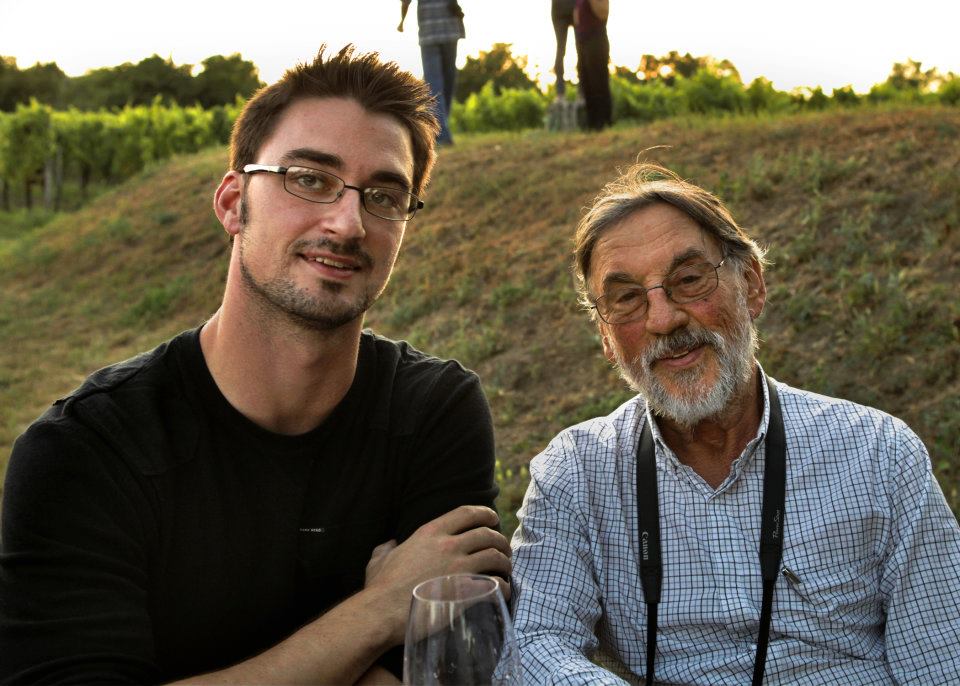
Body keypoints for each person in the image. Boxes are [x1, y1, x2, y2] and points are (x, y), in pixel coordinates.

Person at [0, 45, 512, 685]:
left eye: (385, 195)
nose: (348, 221)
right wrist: (377, 611)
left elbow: (453, 670)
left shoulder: (434, 411)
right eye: (309, 178)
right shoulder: (88, 451)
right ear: (232, 203)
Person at [510, 162, 960, 684]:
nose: (663, 320)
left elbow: (941, 662)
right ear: (607, 338)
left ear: (751, 286)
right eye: (627, 298)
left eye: (689, 279)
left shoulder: (879, 455)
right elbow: (534, 639)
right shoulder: (576, 475)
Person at [399, 0, 465, 146]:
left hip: (435, 30)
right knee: (441, 81)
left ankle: (439, 130)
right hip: (445, 28)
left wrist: (402, 21)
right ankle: (441, 133)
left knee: (440, 82)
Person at [574, 0, 612, 130]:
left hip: (596, 38)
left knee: (598, 80)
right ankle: (591, 123)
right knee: (586, 81)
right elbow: (576, 17)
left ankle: (604, 121)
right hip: (581, 40)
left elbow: (603, 13)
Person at [551, 0, 577, 98]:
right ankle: (560, 91)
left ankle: (582, 91)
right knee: (561, 48)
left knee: (579, 48)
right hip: (560, 8)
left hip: (575, 6)